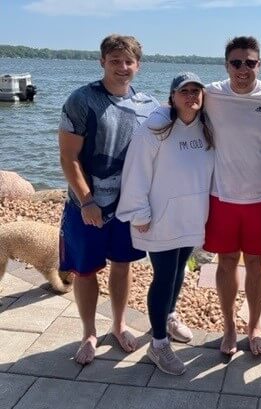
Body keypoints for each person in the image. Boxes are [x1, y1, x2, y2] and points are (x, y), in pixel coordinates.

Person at [58, 34, 159, 365]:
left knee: (123, 264)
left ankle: (118, 324)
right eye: (115, 61)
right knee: (85, 271)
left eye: (129, 61)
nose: (122, 67)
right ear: (102, 62)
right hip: (85, 206)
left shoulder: (149, 106)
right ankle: (88, 331)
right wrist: (87, 201)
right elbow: (68, 158)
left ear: (138, 65)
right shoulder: (81, 100)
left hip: (127, 208)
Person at [116, 72, 214, 375]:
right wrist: (140, 213)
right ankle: (158, 346)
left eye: (196, 91)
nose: (191, 96)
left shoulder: (207, 128)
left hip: (191, 217)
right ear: (172, 97)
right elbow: (136, 172)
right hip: (159, 218)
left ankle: (169, 317)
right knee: (164, 276)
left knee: (180, 272)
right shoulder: (154, 128)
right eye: (184, 91)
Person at [203, 36, 261, 356]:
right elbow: (176, 115)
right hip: (221, 197)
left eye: (250, 62)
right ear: (226, 65)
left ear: (259, 64)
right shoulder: (211, 94)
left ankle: (253, 328)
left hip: (260, 199)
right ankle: (228, 329)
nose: (243, 69)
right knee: (226, 263)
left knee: (256, 264)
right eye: (236, 63)